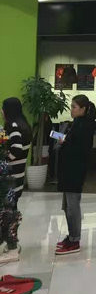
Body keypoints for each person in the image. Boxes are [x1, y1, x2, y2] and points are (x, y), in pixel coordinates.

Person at [56, 95, 96, 256]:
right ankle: (71, 236)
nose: (71, 110)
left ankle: (75, 240)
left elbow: (78, 147)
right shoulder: (78, 123)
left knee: (72, 207)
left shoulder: (85, 126)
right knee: (67, 206)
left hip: (75, 171)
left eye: (74, 107)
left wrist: (64, 141)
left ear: (83, 109)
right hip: (69, 170)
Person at [0, 98, 32, 264]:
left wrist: (4, 158)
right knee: (10, 212)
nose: (1, 111)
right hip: (17, 177)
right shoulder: (22, 124)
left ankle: (12, 249)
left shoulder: (13, 126)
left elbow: (16, 150)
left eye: (3, 108)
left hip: (10, 179)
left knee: (8, 214)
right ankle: (11, 245)